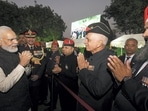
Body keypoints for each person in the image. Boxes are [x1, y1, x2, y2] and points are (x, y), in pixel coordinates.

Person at [107, 6, 148, 111]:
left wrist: (126, 80)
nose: (144, 34)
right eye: (145, 29)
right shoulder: (140, 59)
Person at [76, 15, 115, 111]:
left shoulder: (109, 60)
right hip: (82, 103)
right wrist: (79, 69)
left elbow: (98, 90)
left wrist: (83, 69)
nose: (85, 42)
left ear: (99, 43)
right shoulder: (91, 55)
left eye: (88, 39)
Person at [0, 26, 32, 111]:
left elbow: (26, 74)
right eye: (11, 40)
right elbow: (3, 87)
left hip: (25, 104)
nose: (16, 42)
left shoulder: (16, 53)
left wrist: (27, 65)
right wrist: (21, 65)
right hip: (10, 107)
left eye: (15, 39)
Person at [18, 29, 47, 111]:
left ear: (35, 38)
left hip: (35, 80)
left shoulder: (40, 49)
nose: (30, 39)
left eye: (33, 38)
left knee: (35, 101)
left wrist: (38, 75)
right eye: (28, 37)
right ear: (25, 38)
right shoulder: (20, 49)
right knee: (24, 101)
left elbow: (43, 63)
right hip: (24, 80)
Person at [52, 38, 79, 111]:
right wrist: (57, 69)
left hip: (71, 89)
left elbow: (74, 76)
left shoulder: (76, 59)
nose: (63, 49)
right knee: (63, 106)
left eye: (66, 47)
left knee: (70, 107)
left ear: (72, 49)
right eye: (63, 47)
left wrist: (61, 70)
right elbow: (60, 70)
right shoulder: (62, 58)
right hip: (62, 87)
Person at [44, 40, 61, 111]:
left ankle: (52, 106)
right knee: (51, 91)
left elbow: (55, 66)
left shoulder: (58, 55)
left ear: (57, 47)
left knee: (54, 92)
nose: (53, 48)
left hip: (54, 76)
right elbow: (48, 64)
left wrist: (49, 72)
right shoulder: (50, 53)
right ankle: (51, 103)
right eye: (52, 46)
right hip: (49, 75)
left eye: (55, 47)